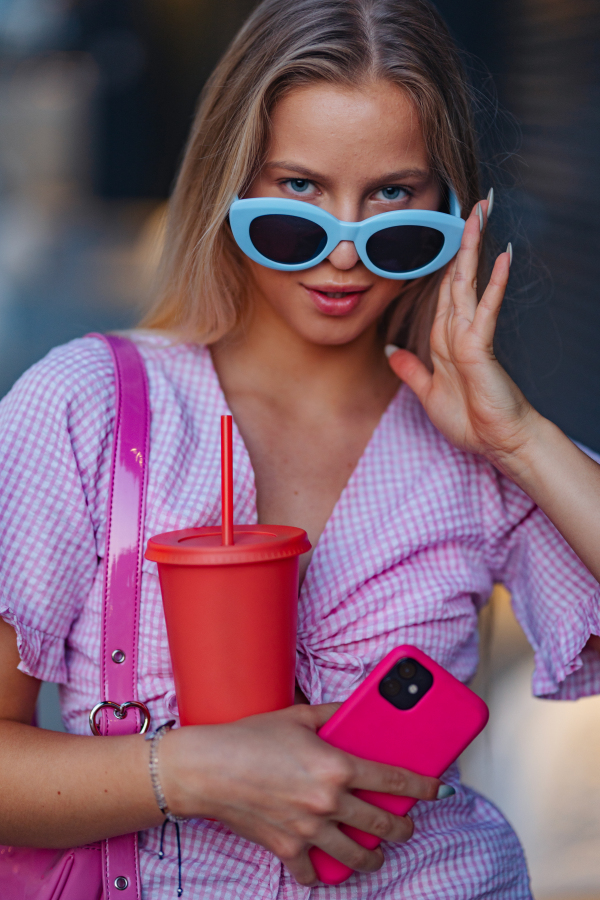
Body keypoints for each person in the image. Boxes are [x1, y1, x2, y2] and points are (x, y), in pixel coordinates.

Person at [1, 0, 599, 897]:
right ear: (229, 185)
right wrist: (199, 771)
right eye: (301, 190)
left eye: (394, 195)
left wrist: (520, 439)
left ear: (450, 205)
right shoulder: (87, 408)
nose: (345, 252)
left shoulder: (474, 443)